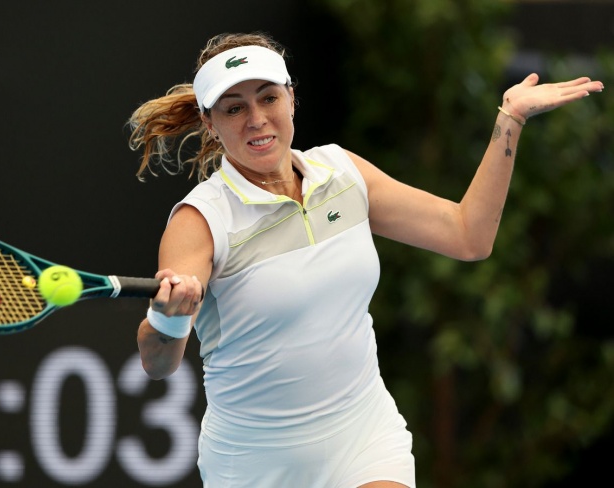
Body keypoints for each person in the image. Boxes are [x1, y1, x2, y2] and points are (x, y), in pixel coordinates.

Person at [127, 32, 604, 488]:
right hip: (256, 462)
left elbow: (468, 235)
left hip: (363, 434)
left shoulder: (343, 172)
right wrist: (169, 317)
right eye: (234, 108)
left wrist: (510, 118)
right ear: (210, 124)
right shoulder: (200, 220)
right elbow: (158, 363)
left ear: (291, 98)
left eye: (268, 98)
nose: (256, 119)